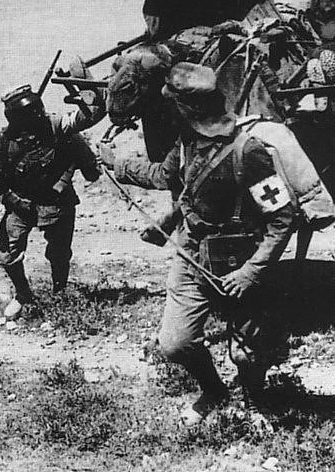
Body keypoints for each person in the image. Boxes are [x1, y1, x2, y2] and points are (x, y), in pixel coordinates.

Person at [98, 62, 296, 427]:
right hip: (192, 254)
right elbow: (162, 175)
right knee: (175, 343)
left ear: (186, 109)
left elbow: (282, 218)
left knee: (247, 354)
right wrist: (117, 164)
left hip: (239, 260)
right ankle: (214, 392)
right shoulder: (187, 142)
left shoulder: (248, 152)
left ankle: (255, 401)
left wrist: (252, 271)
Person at [0, 83, 104, 321]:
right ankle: (23, 295)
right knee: (7, 255)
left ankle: (60, 291)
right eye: (29, 116)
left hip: (56, 201)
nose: (37, 118)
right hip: (19, 204)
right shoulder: (4, 140)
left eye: (38, 112)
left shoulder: (56, 126)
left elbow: (85, 123)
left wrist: (88, 92)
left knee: (59, 253)